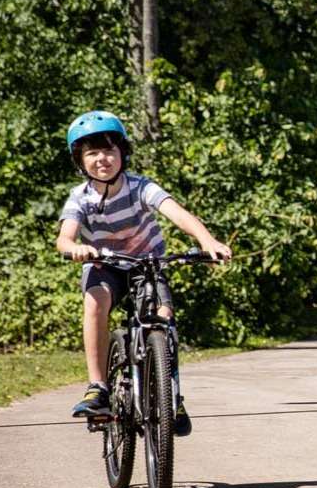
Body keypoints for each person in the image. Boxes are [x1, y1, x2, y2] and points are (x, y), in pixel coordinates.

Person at [56, 110, 231, 432]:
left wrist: (207, 240)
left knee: (164, 317)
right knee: (95, 302)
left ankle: (170, 395)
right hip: (104, 266)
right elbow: (65, 237)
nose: (102, 159)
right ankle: (98, 387)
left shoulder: (140, 187)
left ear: (123, 153)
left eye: (109, 150)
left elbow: (177, 213)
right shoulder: (79, 198)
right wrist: (75, 248)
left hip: (147, 264)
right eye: (92, 153)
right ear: (80, 161)